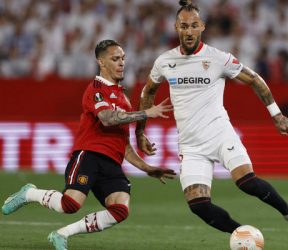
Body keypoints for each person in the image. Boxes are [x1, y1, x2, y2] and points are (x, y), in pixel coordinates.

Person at [136, 0, 288, 237]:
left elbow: (254, 79)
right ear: (176, 27)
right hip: (191, 145)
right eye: (184, 26)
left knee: (247, 182)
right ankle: (244, 234)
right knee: (199, 206)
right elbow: (147, 92)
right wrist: (140, 131)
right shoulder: (164, 61)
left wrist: (276, 114)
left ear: (202, 26)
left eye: (194, 25)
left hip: (220, 134)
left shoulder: (217, 58)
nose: (189, 31)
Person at [2, 39, 176, 250]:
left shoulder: (123, 99)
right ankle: (29, 193)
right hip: (89, 155)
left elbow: (125, 145)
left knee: (120, 210)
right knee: (70, 205)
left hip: (112, 163)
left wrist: (147, 168)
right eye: (115, 59)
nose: (121, 63)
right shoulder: (95, 89)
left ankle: (62, 234)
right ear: (101, 63)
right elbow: (107, 118)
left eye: (122, 58)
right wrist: (146, 113)